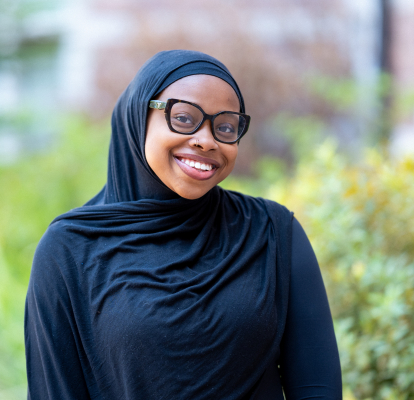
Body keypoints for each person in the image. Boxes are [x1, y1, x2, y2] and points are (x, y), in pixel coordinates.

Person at [25, 50, 342, 400]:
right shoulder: (70, 249)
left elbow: (317, 389)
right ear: (139, 116)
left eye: (225, 127)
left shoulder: (273, 234)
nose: (207, 140)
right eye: (184, 118)